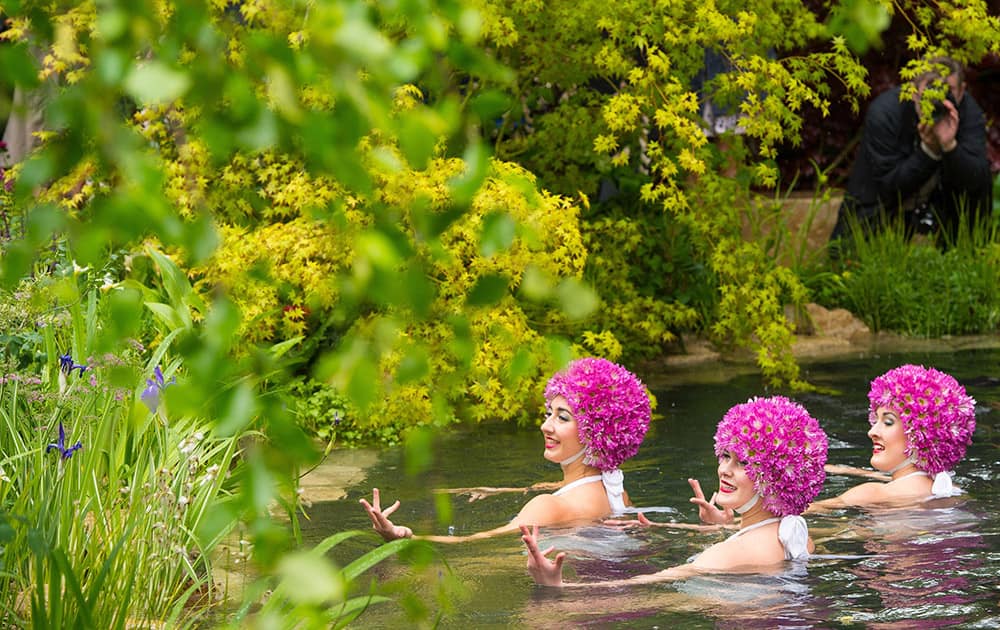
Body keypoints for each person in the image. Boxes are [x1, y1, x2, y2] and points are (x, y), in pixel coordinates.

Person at [522, 396, 828, 587]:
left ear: (775, 474)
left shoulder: (724, 556)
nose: (724, 469)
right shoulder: (801, 539)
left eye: (742, 462)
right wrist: (718, 528)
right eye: (725, 456)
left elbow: (649, 592)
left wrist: (557, 586)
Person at [360, 357, 652, 542]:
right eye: (548, 413)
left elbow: (471, 543)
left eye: (562, 417)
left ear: (596, 433)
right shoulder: (616, 492)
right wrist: (500, 491)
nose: (546, 426)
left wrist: (401, 535)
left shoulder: (548, 507)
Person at [828, 56, 992, 250]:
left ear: (962, 91)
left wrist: (950, 146)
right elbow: (887, 186)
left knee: (977, 185)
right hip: (882, 206)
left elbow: (978, 181)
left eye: (947, 90)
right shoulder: (886, 113)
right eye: (931, 89)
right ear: (914, 91)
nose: (939, 99)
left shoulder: (968, 112)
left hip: (939, 205)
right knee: (851, 249)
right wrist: (928, 151)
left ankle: (966, 257)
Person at [812, 364, 976, 510]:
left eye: (888, 422)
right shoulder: (951, 490)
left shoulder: (871, 494)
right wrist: (853, 471)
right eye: (876, 420)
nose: (872, 432)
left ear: (919, 435)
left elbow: (799, 516)